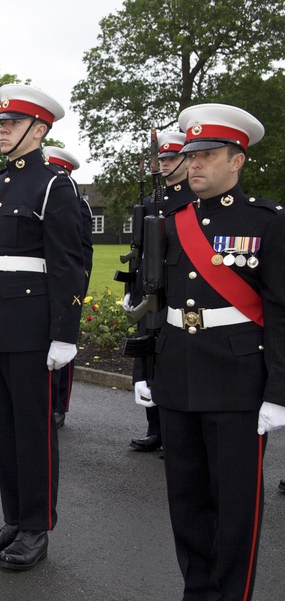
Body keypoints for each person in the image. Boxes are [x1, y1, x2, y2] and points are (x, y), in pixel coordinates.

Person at [136, 103, 285, 601]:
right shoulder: (171, 220)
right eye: (189, 154)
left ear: (236, 159)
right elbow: (156, 303)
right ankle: (194, 599)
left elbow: (282, 310)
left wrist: (278, 393)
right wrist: (146, 371)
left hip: (239, 380)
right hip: (179, 373)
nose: (192, 165)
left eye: (205, 155)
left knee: (235, 505)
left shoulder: (267, 222)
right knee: (187, 499)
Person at [0, 84, 85, 571]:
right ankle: (13, 518)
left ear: (39, 130)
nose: (3, 131)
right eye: (1, 124)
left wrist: (65, 333)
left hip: (32, 325)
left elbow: (70, 263)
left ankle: (37, 526)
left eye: (12, 124)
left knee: (33, 431)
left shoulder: (55, 185)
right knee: (1, 429)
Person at [125, 131, 194, 454]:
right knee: (149, 357)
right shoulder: (153, 201)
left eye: (170, 159)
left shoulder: (195, 199)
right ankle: (155, 428)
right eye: (162, 159)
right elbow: (138, 252)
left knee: (172, 363)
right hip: (149, 288)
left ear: (185, 160)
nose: (164, 165)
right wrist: (131, 288)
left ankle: (173, 431)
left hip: (178, 290)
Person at [42, 146, 94, 429]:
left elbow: (81, 250)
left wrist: (77, 288)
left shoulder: (77, 203)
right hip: (43, 282)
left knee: (63, 344)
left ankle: (60, 405)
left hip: (66, 282)